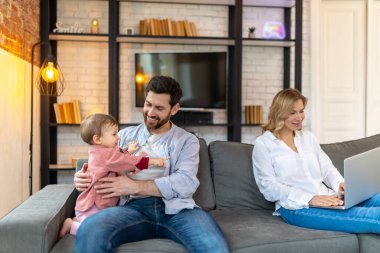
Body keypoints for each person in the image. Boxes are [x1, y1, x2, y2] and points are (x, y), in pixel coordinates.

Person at [73, 76, 230, 253]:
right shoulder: (123, 136)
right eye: (148, 104)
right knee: (89, 231)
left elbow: (186, 182)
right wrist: (82, 176)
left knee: (214, 246)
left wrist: (134, 186)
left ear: (175, 109)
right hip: (131, 209)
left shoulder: (187, 141)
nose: (150, 112)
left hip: (178, 210)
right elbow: (99, 160)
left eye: (159, 108)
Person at [252, 88, 380, 234]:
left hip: (329, 198)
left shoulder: (308, 138)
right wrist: (310, 198)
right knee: (375, 216)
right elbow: (269, 188)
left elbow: (327, 169)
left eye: (301, 111)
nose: (299, 117)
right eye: (292, 112)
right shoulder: (264, 144)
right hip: (297, 208)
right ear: (279, 113)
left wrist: (340, 184)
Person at [59, 113, 167, 238]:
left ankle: (79, 221)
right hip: (95, 204)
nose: (118, 137)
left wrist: (129, 151)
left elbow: (118, 157)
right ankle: (71, 226)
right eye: (114, 134)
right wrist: (153, 161)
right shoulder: (106, 156)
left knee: (98, 225)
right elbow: (127, 162)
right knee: (96, 232)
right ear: (98, 139)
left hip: (96, 204)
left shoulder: (102, 152)